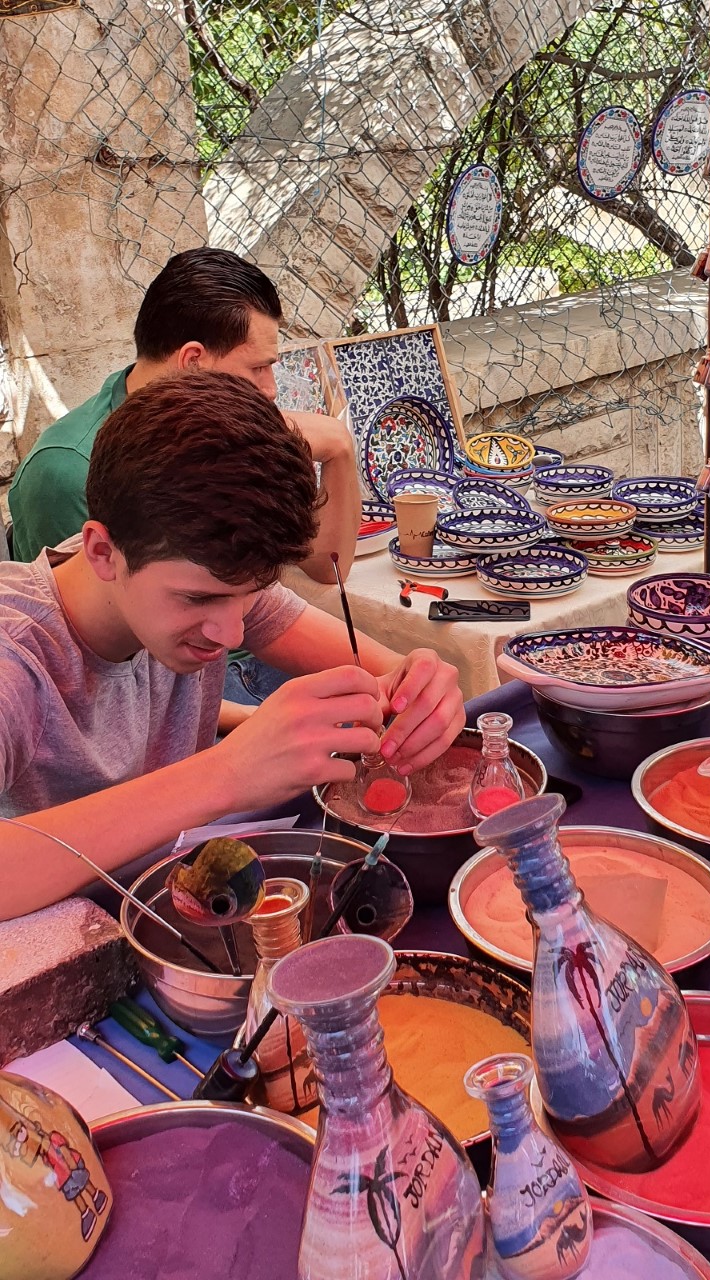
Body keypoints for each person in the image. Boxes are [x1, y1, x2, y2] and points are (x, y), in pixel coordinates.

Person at [0, 372, 464, 921]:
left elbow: (392, 672)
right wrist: (227, 774)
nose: (233, 634)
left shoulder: (210, 577)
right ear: (102, 552)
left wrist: (424, 685)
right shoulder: (16, 652)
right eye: (198, 599)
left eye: (249, 595)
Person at [7, 247, 361, 714]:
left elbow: (323, 568)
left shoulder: (230, 432)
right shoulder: (66, 472)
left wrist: (339, 449)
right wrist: (259, 731)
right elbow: (92, 683)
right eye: (258, 367)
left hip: (232, 662)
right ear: (193, 359)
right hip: (180, 693)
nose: (272, 389)